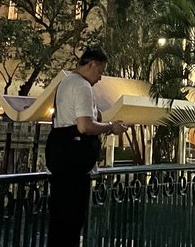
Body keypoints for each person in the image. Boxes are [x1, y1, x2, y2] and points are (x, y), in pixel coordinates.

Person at [45, 46, 129, 247]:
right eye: (100, 71)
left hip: (59, 159)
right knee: (72, 222)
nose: (100, 78)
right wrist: (111, 127)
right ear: (91, 65)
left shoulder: (65, 82)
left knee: (59, 222)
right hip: (74, 164)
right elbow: (84, 126)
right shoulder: (83, 86)